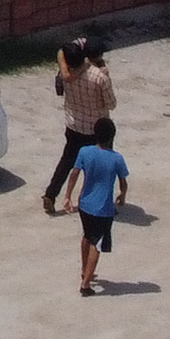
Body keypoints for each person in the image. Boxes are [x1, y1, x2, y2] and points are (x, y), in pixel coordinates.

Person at [40, 38, 116, 214]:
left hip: (74, 124)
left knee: (66, 161)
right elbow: (111, 104)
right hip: (97, 129)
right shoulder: (100, 77)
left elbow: (64, 50)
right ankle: (100, 201)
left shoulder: (66, 73)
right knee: (101, 166)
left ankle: (51, 194)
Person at [71, 119, 130, 295]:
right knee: (96, 244)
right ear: (112, 136)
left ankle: (84, 270)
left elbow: (74, 174)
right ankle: (86, 284)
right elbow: (123, 183)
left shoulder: (84, 151)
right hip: (103, 209)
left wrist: (67, 196)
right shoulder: (117, 159)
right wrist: (122, 196)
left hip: (84, 204)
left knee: (87, 236)